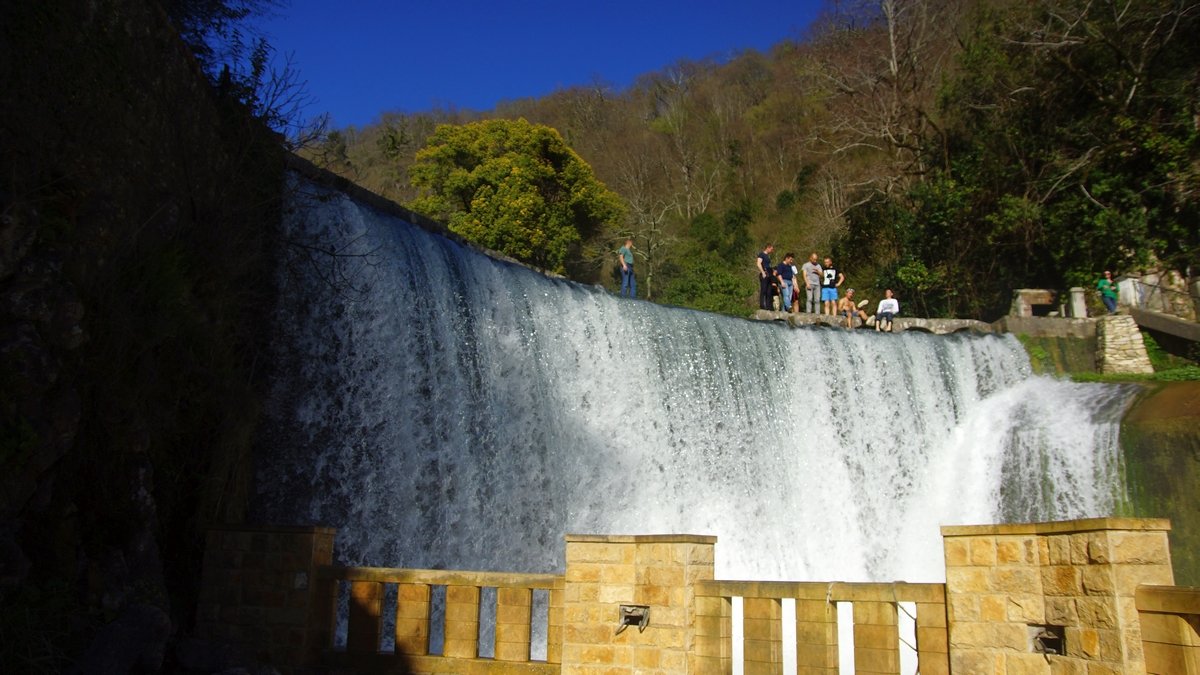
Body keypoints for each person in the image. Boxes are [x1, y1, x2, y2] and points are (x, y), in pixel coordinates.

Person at [756, 244, 775, 310]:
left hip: (770, 273)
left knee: (769, 291)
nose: (772, 250)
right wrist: (763, 272)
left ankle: (768, 306)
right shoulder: (761, 254)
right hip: (765, 272)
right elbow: (758, 263)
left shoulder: (768, 256)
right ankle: (762, 305)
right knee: (763, 290)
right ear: (768, 248)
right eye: (771, 249)